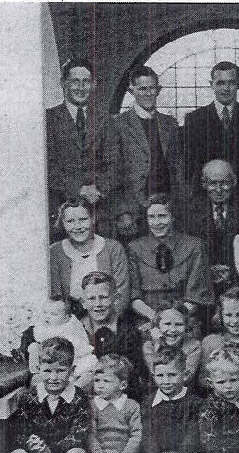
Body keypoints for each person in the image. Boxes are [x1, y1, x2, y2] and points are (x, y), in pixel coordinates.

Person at [107, 66, 181, 237]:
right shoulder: (117, 124)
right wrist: (122, 212)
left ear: (158, 90)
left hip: (166, 209)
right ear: (132, 91)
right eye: (142, 89)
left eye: (152, 88)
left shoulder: (170, 124)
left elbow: (177, 170)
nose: (148, 94)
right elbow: (112, 172)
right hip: (133, 213)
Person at [183, 61, 239, 197]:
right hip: (207, 194)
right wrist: (201, 189)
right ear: (211, 84)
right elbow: (189, 162)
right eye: (220, 83)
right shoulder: (194, 119)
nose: (226, 88)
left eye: (231, 82)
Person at [127, 193, 213, 328]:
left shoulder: (194, 245)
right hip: (147, 320)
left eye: (162, 216)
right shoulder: (135, 248)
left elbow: (196, 295)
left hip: (185, 320)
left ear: (173, 217)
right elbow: (134, 296)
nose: (156, 223)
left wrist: (173, 319)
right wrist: (155, 319)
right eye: (151, 217)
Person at [46, 59, 109, 241]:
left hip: (99, 212)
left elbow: (115, 162)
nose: (81, 87)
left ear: (94, 84)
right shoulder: (48, 120)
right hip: (60, 212)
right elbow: (46, 167)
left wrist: (97, 189)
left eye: (86, 81)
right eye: (75, 81)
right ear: (63, 83)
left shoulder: (105, 119)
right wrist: (79, 189)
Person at [50, 198, 130, 318]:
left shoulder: (113, 248)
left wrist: (105, 322)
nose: (77, 226)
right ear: (63, 223)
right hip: (70, 321)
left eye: (83, 220)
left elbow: (122, 293)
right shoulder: (55, 251)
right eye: (70, 221)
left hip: (109, 319)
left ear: (92, 219)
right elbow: (56, 295)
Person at [183, 160, 239, 294]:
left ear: (234, 182)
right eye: (213, 183)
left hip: (238, 283)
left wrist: (232, 272)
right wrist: (208, 270)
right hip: (202, 286)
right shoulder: (190, 213)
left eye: (224, 183)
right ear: (204, 184)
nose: (218, 190)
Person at [80, 271, 145, 401]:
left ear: (115, 298)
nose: (98, 304)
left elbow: (131, 376)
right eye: (91, 299)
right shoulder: (77, 328)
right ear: (83, 302)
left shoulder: (129, 332)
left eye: (103, 297)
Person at [22, 298, 97, 390]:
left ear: (66, 318)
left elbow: (80, 346)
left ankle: (75, 387)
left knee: (88, 369)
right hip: (49, 361)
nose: (47, 316)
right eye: (45, 312)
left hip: (71, 359)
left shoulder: (70, 328)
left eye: (53, 314)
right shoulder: (41, 328)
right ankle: (37, 373)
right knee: (33, 347)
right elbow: (36, 344)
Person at [142, 301, 201, 388]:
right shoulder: (150, 346)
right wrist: (159, 344)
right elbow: (155, 376)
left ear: (186, 326)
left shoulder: (193, 346)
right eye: (167, 324)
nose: (173, 329)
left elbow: (186, 378)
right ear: (157, 325)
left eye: (179, 324)